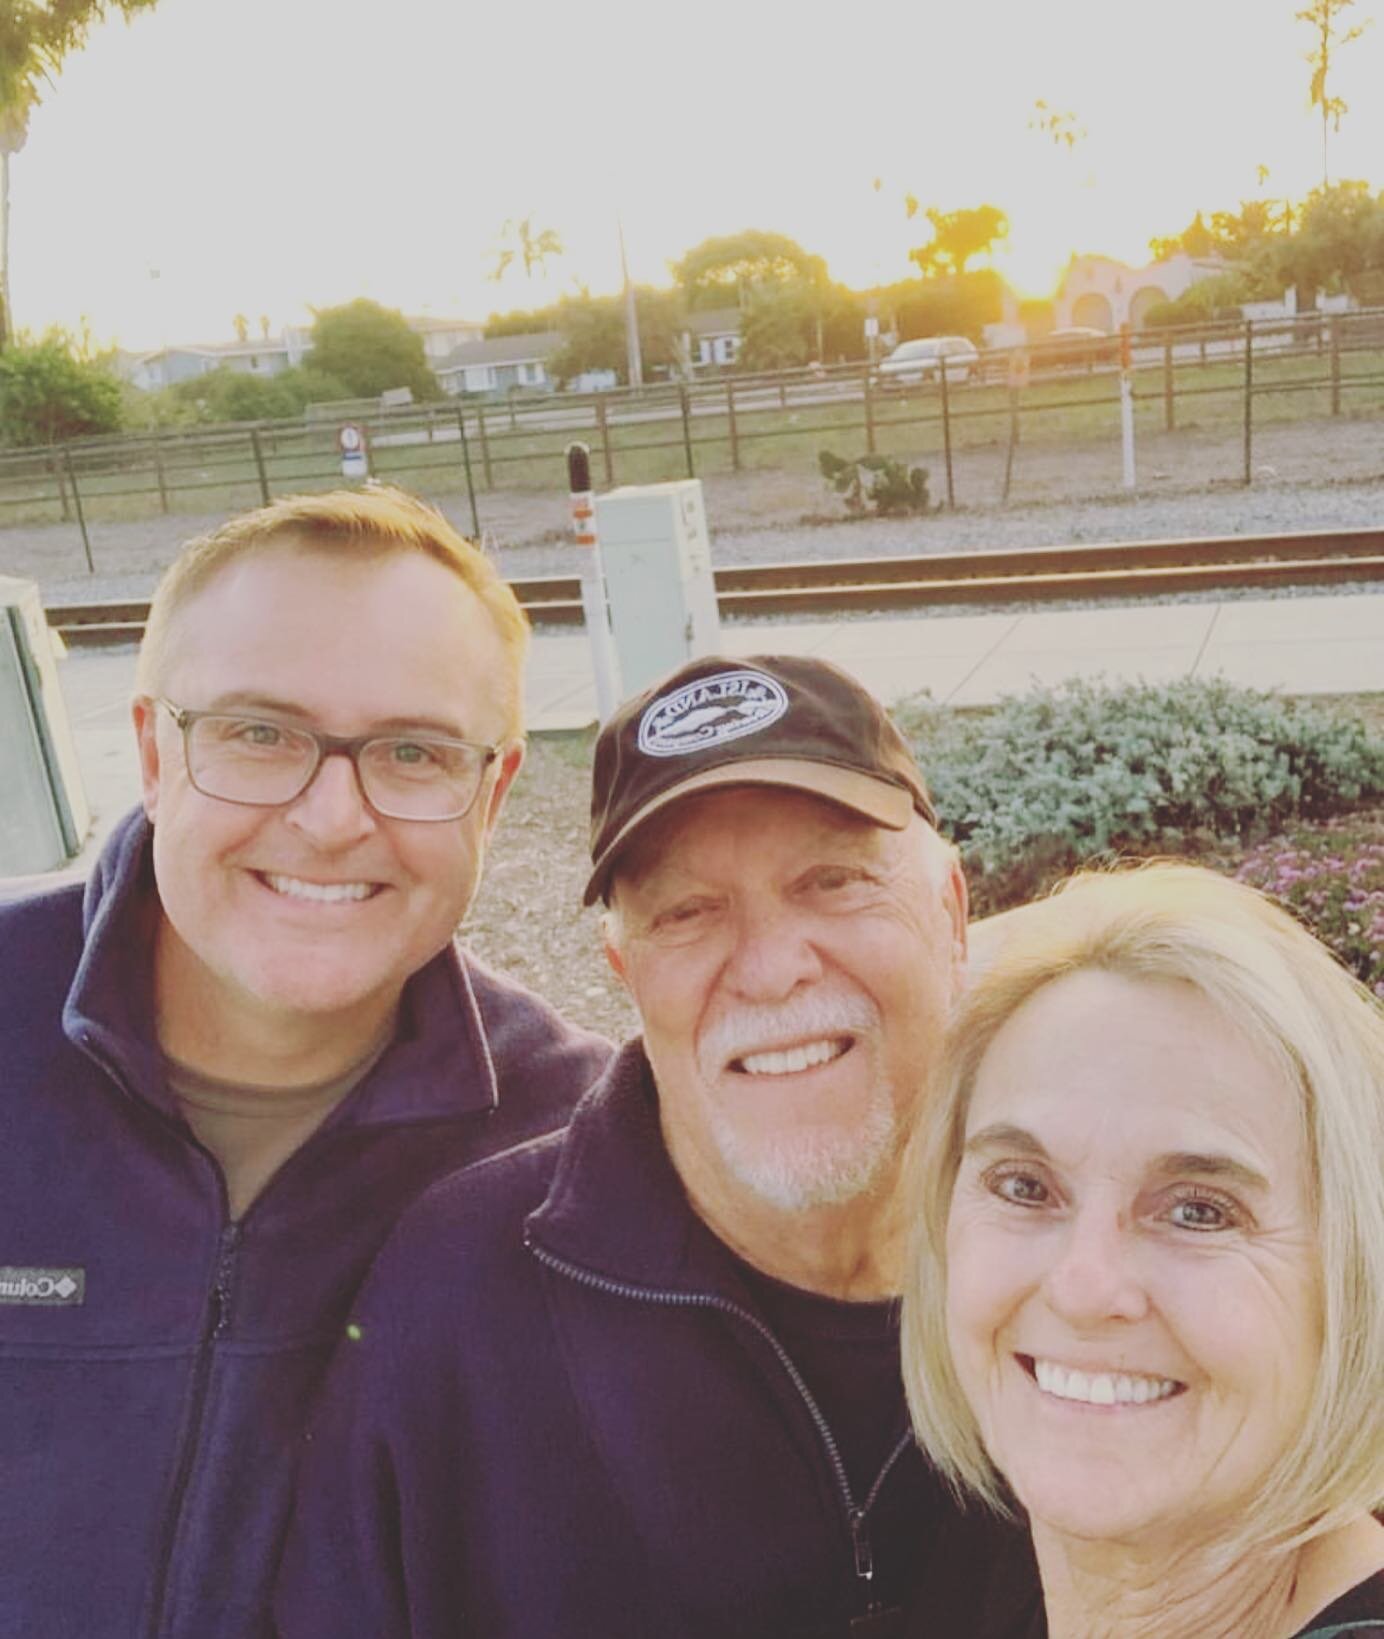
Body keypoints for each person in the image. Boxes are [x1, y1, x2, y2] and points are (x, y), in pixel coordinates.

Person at [275, 653, 1036, 1639]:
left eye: (832, 879)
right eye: (687, 911)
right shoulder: (454, 1297)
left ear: (952, 910)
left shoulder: (1082, 1266)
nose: (767, 967)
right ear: (625, 969)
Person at [0, 488, 611, 1639]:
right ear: (152, 750)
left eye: (413, 751)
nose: (332, 817)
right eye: (259, 733)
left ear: (492, 792)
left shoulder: (570, 1144)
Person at [900, 863, 1384, 1639]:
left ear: (1351, 1278)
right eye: (1024, 1187)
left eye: (1198, 1210)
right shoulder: (980, 1578)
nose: (1083, 1288)